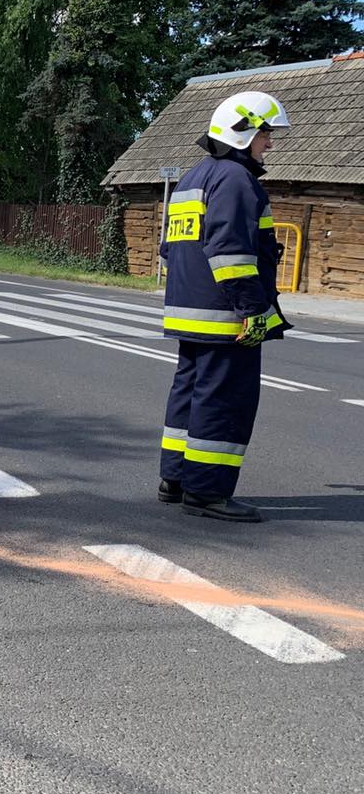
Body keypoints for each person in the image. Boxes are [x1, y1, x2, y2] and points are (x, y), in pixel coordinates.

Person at [157, 90, 292, 523]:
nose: (268, 142)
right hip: (226, 316)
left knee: (189, 396)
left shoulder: (192, 178)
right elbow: (230, 252)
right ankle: (208, 492)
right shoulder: (236, 180)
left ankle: (176, 481)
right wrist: (253, 310)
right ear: (243, 132)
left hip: (189, 312)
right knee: (224, 402)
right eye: (265, 133)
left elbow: (170, 249)